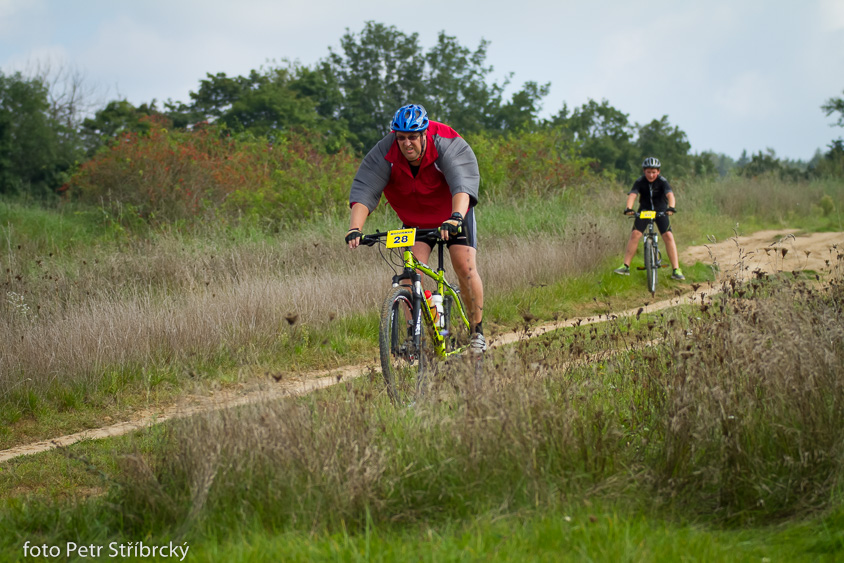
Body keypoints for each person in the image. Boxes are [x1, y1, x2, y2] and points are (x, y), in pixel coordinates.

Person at [345, 104, 487, 352]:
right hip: (416, 218)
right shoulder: (386, 152)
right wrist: (355, 228)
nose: (406, 143)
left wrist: (455, 217)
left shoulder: (445, 141)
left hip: (452, 213)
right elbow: (366, 189)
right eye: (401, 138)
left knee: (464, 265)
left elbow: (462, 183)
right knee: (410, 274)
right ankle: (415, 337)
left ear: (424, 134)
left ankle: (477, 333)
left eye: (413, 137)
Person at [613, 157, 685, 280]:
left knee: (668, 236)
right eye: (648, 172)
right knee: (635, 234)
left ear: (658, 172)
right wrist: (629, 208)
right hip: (645, 211)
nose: (651, 175)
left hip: (661, 211)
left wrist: (671, 208)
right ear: (644, 171)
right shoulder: (640, 182)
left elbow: (670, 195)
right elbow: (633, 195)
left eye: (654, 172)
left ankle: (676, 270)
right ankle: (625, 266)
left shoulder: (663, 182)